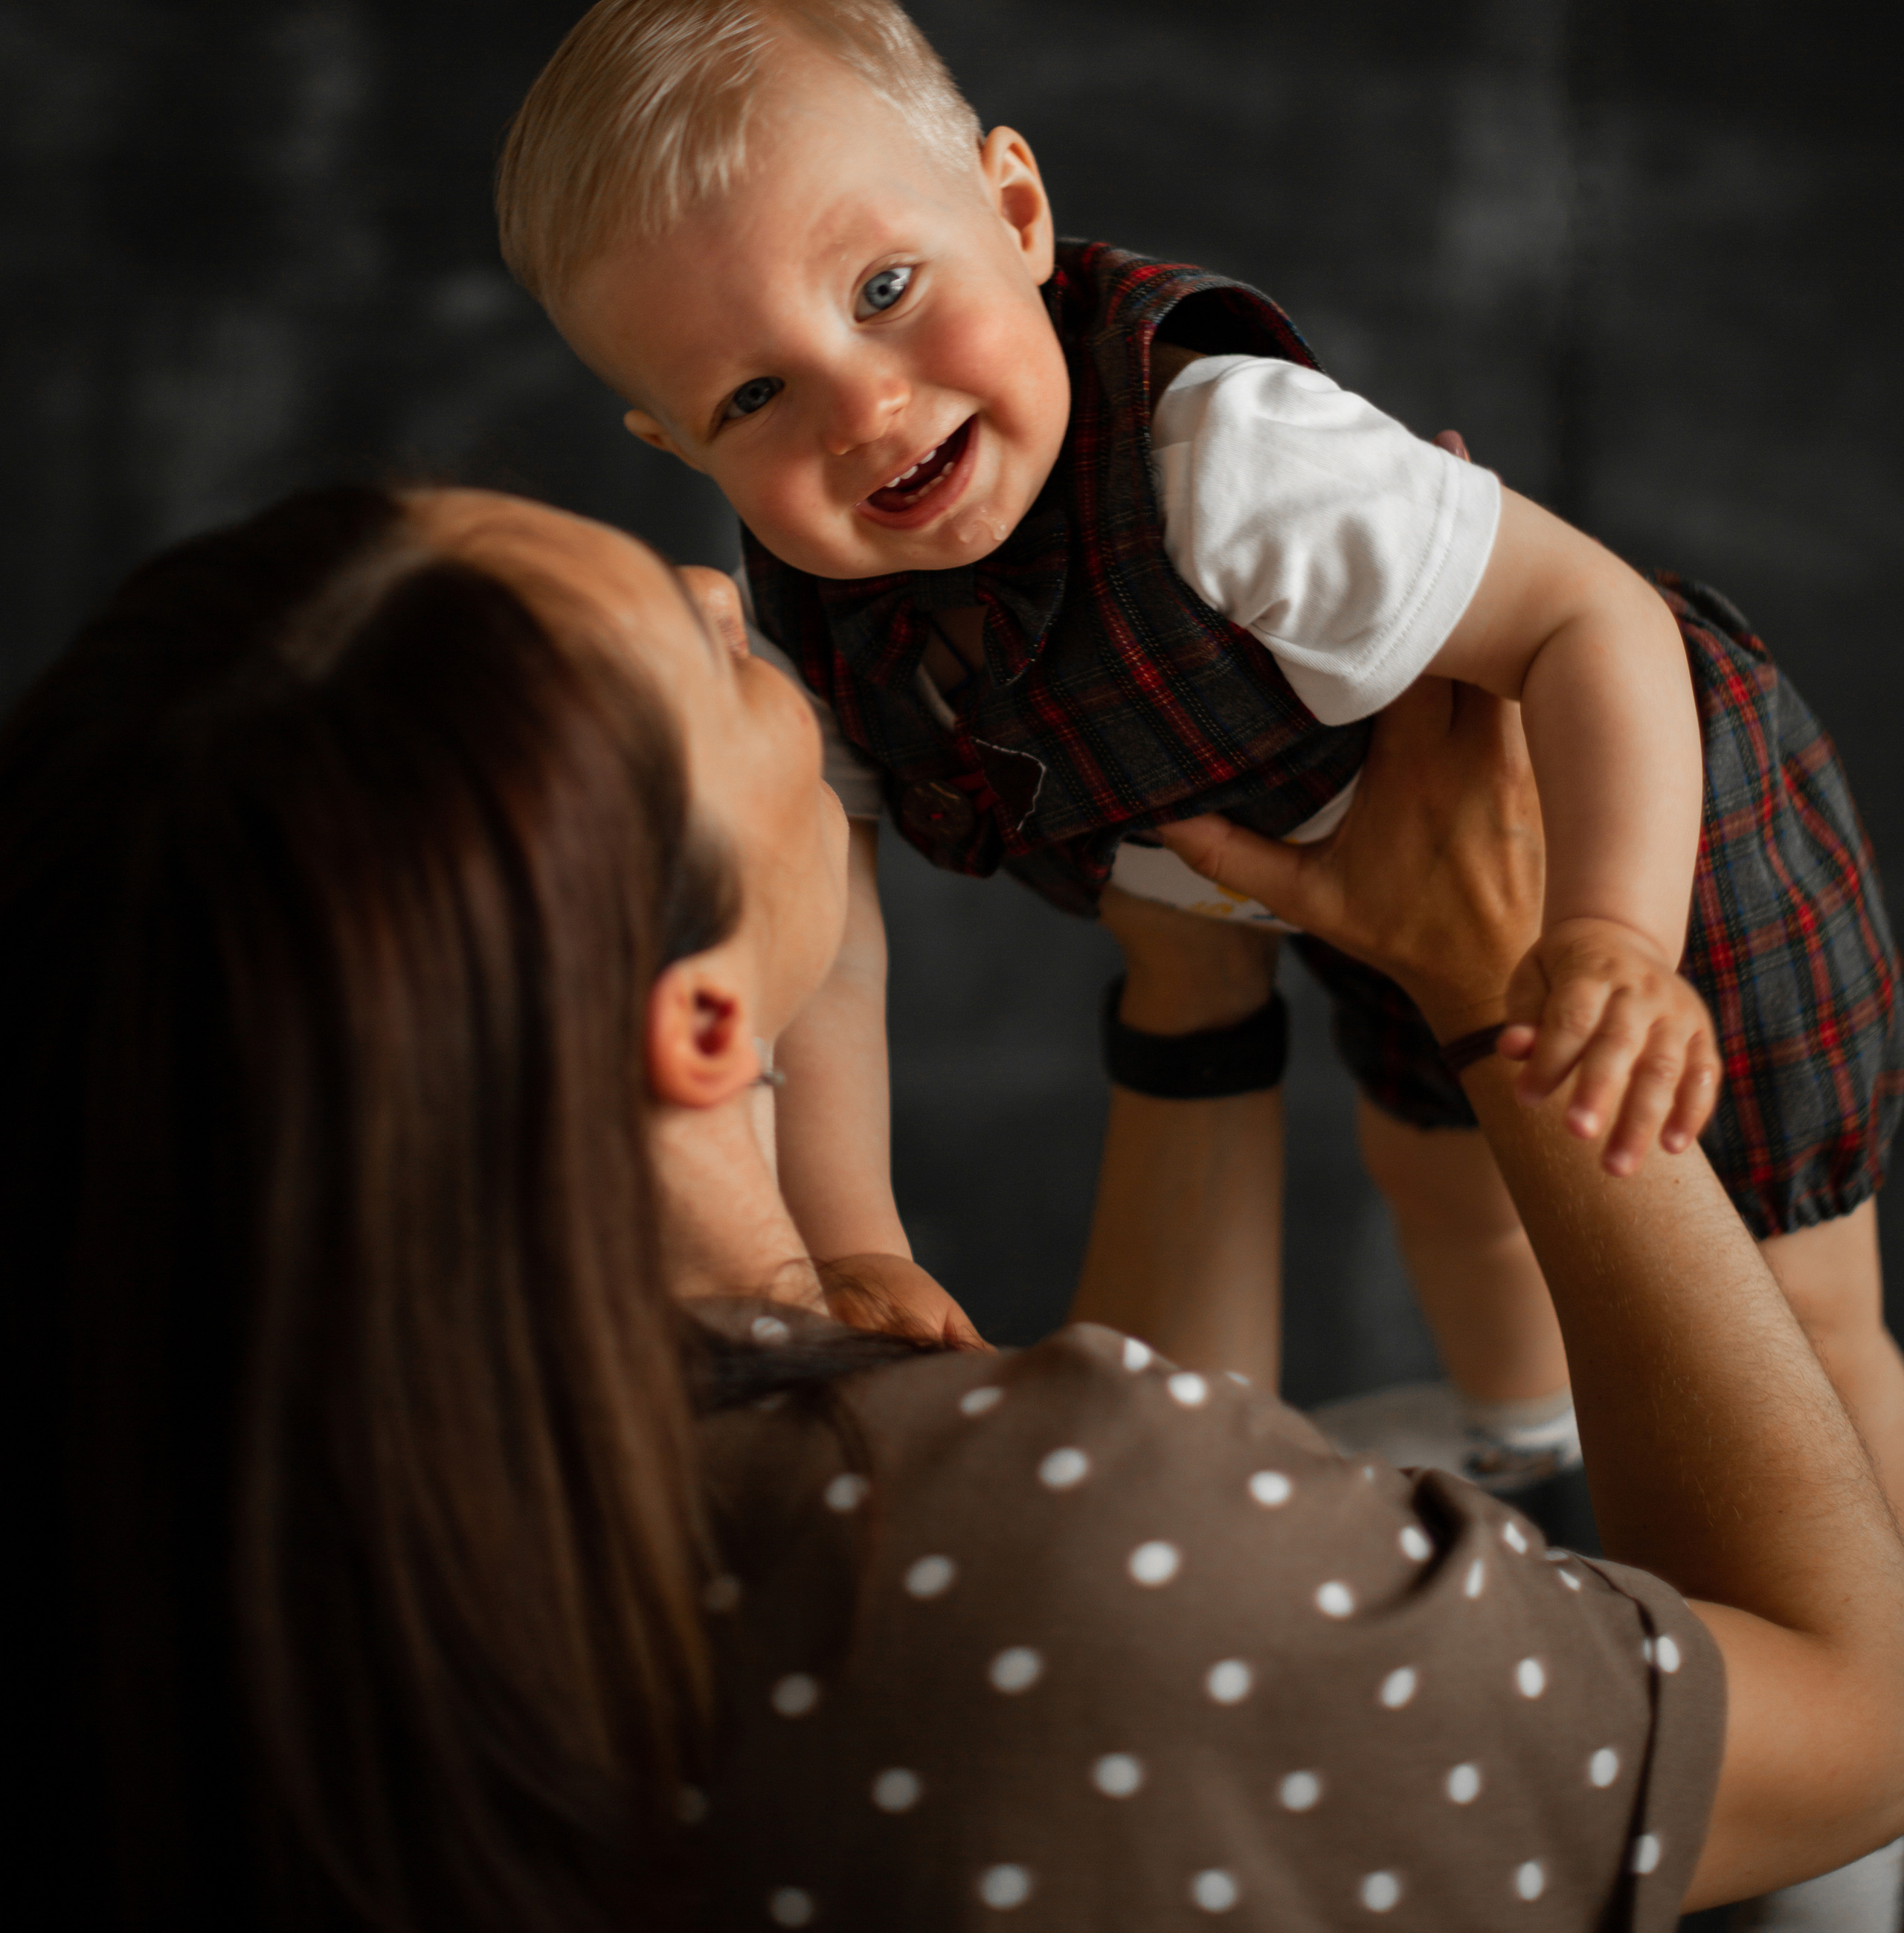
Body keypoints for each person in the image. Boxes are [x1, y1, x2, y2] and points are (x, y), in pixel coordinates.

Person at [6, 481, 1901, 1931]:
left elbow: (1179, 1514)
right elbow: (1843, 1717)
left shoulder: (242, 1554)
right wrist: (1505, 999)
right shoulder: (1009, 1567)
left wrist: (1189, 989)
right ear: (698, 1023)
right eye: (707, 659)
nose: (731, 587)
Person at [492, 0, 1904, 1508]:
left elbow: (1595, 624)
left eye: (885, 291)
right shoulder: (815, 626)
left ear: (1015, 213)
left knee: (1790, 1302)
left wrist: (1613, 936)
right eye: (752, 398)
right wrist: (852, 1243)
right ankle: (1540, 1468)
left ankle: (1873, 1659)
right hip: (1368, 886)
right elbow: (828, 930)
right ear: (673, 438)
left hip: (1653, 813)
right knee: (1453, 1187)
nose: (862, 408)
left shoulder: (1223, 464)